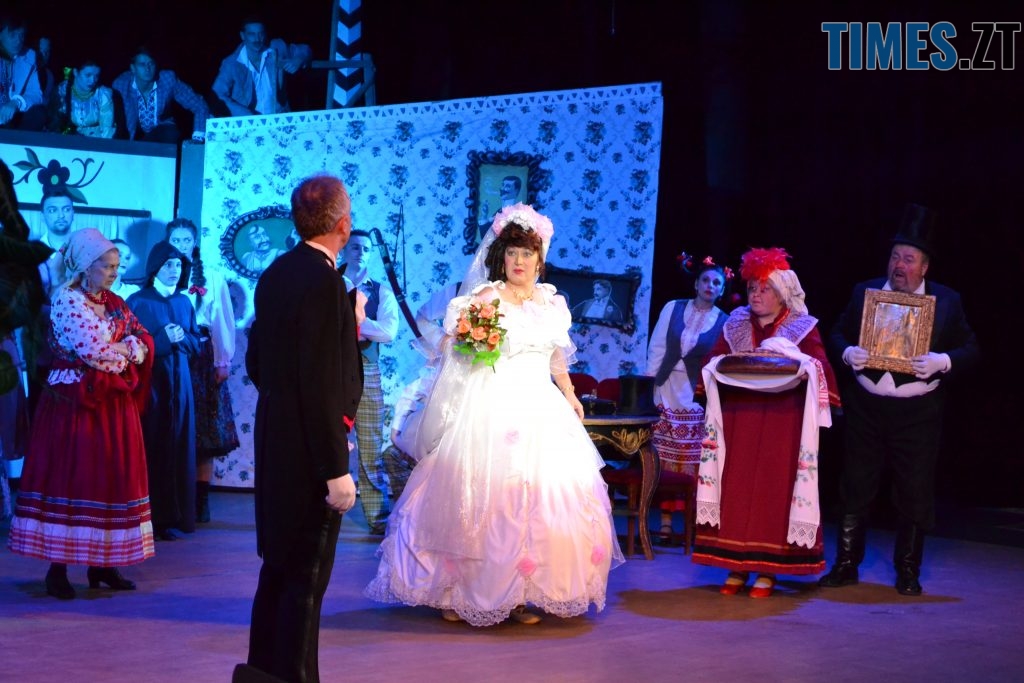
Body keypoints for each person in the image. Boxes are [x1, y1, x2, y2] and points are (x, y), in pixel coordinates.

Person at [365, 202, 623, 627]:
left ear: (540, 259)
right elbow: (455, 348)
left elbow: (556, 355)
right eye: (513, 253)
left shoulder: (552, 303)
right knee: (480, 499)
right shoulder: (487, 297)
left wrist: (570, 393)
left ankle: (519, 595)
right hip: (492, 402)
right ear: (502, 257)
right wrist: (470, 345)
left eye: (527, 253)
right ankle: (456, 592)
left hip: (540, 407)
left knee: (538, 503)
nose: (519, 261)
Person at [820, 205, 979, 596]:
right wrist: (847, 353)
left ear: (924, 267)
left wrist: (943, 361)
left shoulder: (947, 300)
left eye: (909, 259)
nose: (899, 265)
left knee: (914, 490)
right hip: (867, 408)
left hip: (918, 413)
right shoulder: (865, 293)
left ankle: (908, 569)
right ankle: (846, 564)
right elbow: (836, 333)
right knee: (855, 485)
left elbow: (971, 349)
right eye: (895, 256)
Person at [240, 174, 362, 683]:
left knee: (278, 569)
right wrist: (335, 468)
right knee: (305, 581)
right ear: (343, 224)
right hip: (311, 451)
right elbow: (320, 384)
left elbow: (258, 361)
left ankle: (261, 673)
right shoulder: (324, 283)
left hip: (276, 438)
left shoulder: (275, 273)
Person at [7, 228, 154, 599]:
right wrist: (122, 350)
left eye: (116, 266)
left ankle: (102, 565)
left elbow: (142, 340)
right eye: (106, 266)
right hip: (75, 406)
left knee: (110, 478)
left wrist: (125, 348)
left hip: (113, 406)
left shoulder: (115, 302)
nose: (113, 273)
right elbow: (94, 354)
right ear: (86, 266)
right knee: (72, 478)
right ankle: (57, 569)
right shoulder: (67, 300)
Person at [692, 247, 840, 598]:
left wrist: (796, 361)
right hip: (740, 419)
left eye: (764, 289)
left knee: (773, 489)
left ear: (782, 293)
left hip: (781, 421)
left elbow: (820, 368)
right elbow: (714, 361)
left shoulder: (801, 327)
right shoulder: (735, 324)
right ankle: (736, 564)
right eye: (752, 289)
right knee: (738, 487)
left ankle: (768, 569)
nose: (756, 295)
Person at [646, 254, 729, 539]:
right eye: (706, 280)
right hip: (665, 388)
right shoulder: (673, 307)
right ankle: (665, 522)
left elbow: (720, 361)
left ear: (721, 290)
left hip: (695, 398)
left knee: (690, 461)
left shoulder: (724, 321)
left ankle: (694, 524)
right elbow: (657, 346)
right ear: (696, 284)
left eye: (716, 283)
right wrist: (651, 384)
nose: (710, 286)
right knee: (664, 456)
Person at [127, 242, 201, 541]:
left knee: (179, 447)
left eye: (179, 265)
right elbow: (129, 346)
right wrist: (161, 339)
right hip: (152, 388)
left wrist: (181, 338)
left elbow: (196, 344)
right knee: (151, 446)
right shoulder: (138, 302)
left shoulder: (184, 302)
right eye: (168, 265)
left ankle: (174, 517)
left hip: (180, 389)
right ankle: (147, 517)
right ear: (156, 267)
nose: (174, 270)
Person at [167, 218, 239, 523]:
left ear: (194, 243)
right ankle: (172, 497)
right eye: (176, 240)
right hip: (173, 353)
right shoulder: (163, 274)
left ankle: (201, 499)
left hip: (202, 356)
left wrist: (222, 360)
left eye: (186, 240)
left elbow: (222, 319)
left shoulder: (211, 275)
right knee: (172, 425)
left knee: (205, 432)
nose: (181, 245)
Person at [341, 229, 399, 534]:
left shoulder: (380, 291)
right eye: (354, 247)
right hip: (332, 368)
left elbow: (388, 332)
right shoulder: (330, 283)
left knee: (370, 444)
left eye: (365, 248)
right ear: (343, 249)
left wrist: (355, 322)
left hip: (367, 368)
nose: (360, 253)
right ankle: (320, 512)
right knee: (326, 440)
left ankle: (378, 518)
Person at [213, 16, 312, 117]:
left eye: (261, 34)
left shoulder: (276, 48)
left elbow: (305, 49)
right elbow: (217, 94)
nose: (257, 39)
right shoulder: (231, 63)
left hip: (278, 118)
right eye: (251, 34)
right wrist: (243, 113)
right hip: (248, 121)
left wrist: (299, 59)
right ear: (242, 36)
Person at [111, 47, 210, 143]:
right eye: (142, 64)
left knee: (170, 133)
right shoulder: (122, 85)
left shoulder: (167, 80)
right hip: (134, 135)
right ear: (133, 68)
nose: (147, 69)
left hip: (163, 131)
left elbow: (199, 105)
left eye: (151, 64)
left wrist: (198, 138)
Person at [0, 13, 46, 131]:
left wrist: (16, 102)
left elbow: (36, 94)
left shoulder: (28, 56)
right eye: (12, 35)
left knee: (38, 113)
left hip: (13, 117)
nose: (18, 41)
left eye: (21, 35)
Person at [50, 58, 116, 138]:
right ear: (75, 72)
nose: (92, 80)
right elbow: (54, 124)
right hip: (68, 138)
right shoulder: (62, 91)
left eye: (96, 76)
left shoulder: (103, 94)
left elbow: (106, 129)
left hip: (95, 139)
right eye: (88, 75)